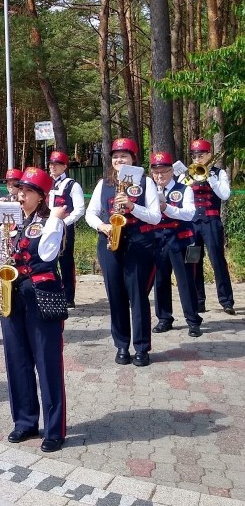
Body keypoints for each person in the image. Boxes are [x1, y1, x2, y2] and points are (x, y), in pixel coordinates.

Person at [0, 167, 68, 453]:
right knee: (17, 360)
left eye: (28, 191)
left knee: (47, 363)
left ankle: (54, 429)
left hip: (40, 295)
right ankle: (24, 422)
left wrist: (55, 222)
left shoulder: (51, 222)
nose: (20, 195)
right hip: (12, 294)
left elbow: (47, 254)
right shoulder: (8, 221)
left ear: (41, 197)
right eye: (19, 189)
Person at [85, 138, 161, 367]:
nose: (119, 159)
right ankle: (121, 345)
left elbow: (156, 216)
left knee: (138, 297)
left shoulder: (147, 182)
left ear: (133, 159)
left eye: (124, 156)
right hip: (110, 244)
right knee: (115, 297)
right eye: (116, 156)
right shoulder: (104, 183)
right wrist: (103, 226)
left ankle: (141, 347)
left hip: (139, 245)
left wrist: (132, 206)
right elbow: (91, 214)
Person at [149, 152, 202, 337]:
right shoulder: (150, 191)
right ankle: (164, 318)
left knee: (186, 281)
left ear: (171, 171)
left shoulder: (184, 189)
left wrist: (167, 208)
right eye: (155, 172)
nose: (159, 176)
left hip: (180, 240)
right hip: (158, 241)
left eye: (163, 172)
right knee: (160, 280)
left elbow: (189, 214)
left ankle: (193, 320)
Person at [182, 138, 234, 314]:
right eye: (194, 155)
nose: (197, 158)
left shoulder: (219, 173)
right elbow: (180, 196)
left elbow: (225, 195)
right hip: (192, 223)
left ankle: (226, 301)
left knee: (217, 260)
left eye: (201, 155)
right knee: (194, 261)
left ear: (209, 155)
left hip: (211, 223)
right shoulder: (186, 173)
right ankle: (198, 301)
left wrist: (209, 177)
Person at [48, 151, 86, 309]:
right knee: (48, 260)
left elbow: (80, 209)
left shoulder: (72, 185)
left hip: (64, 228)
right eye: (51, 164)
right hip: (48, 227)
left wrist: (64, 223)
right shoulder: (47, 182)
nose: (53, 167)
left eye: (57, 164)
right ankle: (51, 293)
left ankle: (69, 296)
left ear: (64, 166)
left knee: (66, 262)